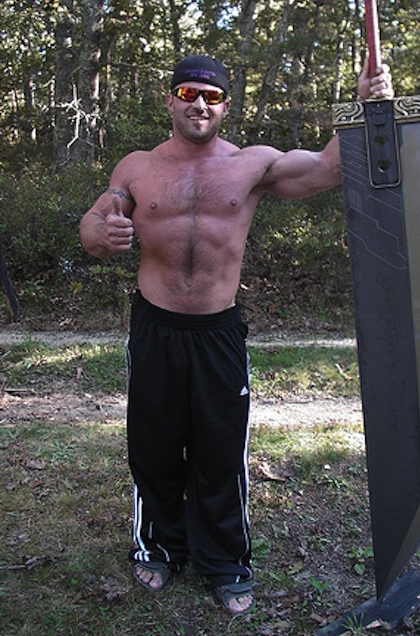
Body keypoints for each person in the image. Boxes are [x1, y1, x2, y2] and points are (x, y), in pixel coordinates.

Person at [79, 54, 393, 615]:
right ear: (170, 100)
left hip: (218, 332)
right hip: (155, 328)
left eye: (212, 96)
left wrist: (365, 105)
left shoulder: (253, 164)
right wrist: (101, 234)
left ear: (226, 105)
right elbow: (95, 220)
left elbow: (330, 167)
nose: (200, 103)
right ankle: (158, 547)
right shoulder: (137, 167)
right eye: (188, 92)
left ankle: (225, 562)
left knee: (220, 451)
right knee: (153, 446)